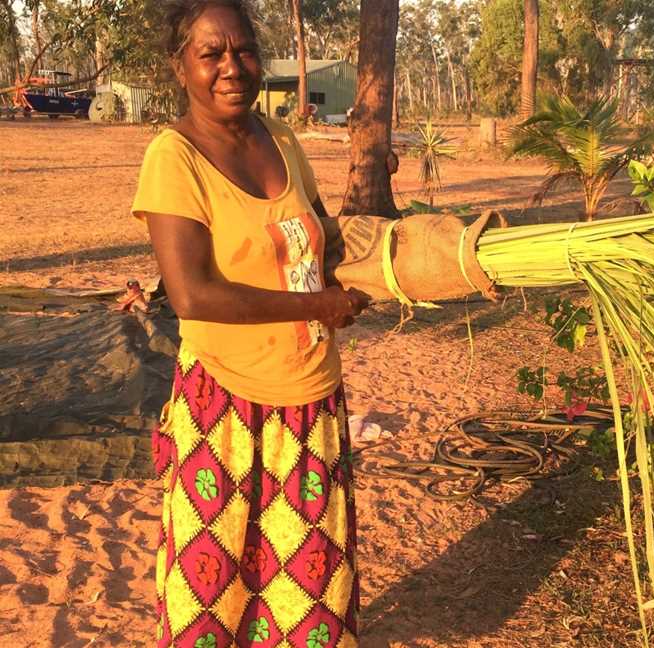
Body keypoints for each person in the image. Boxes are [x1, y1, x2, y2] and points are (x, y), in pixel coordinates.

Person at [131, 1, 369, 646]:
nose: (231, 68)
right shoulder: (174, 156)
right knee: (213, 583)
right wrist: (317, 306)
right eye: (211, 54)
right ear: (180, 66)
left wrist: (385, 262)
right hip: (224, 400)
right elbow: (193, 295)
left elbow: (320, 232)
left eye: (243, 51)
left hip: (310, 390)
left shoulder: (281, 139)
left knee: (308, 573)